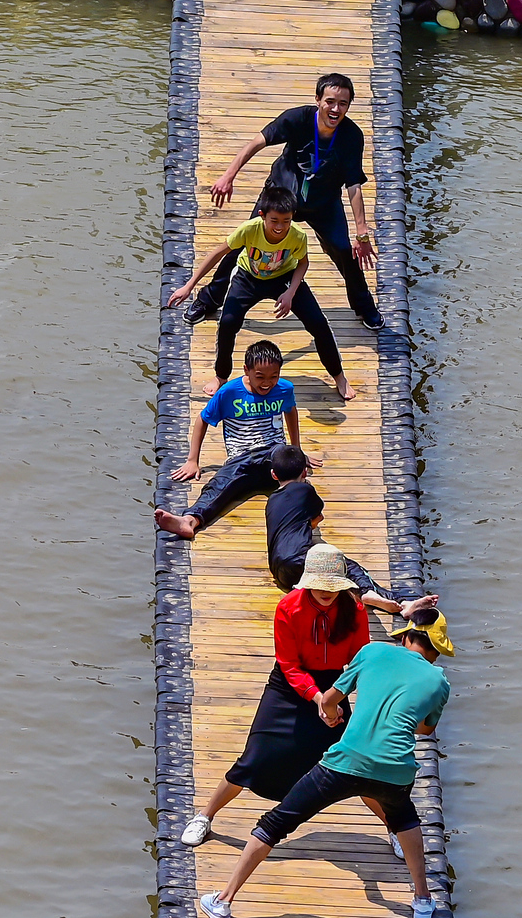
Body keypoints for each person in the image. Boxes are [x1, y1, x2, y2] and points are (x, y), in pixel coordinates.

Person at [198, 607, 454, 918]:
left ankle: (222, 902)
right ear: (435, 648)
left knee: (275, 823)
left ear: (405, 636)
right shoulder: (439, 682)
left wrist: (330, 714)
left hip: (344, 762)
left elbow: (330, 699)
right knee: (404, 818)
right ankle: (423, 900)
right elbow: (425, 728)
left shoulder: (372, 652)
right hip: (395, 770)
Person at [180, 545, 371, 847]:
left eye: (332, 586)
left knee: (357, 763)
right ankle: (204, 816)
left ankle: (395, 829)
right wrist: (318, 698)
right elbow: (289, 665)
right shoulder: (288, 607)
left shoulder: (355, 611)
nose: (326, 592)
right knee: (254, 758)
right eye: (320, 585)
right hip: (288, 687)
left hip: (334, 686)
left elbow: (361, 659)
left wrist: (334, 697)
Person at [184, 72, 384, 331]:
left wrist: (362, 231)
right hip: (281, 196)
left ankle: (364, 306)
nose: (336, 109)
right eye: (330, 101)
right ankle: (209, 299)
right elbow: (257, 142)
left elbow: (354, 184)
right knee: (238, 244)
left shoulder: (352, 135)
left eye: (343, 104)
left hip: (323, 202)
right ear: (318, 100)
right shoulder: (298, 118)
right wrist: (228, 176)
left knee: (346, 251)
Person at [168, 183, 354, 400]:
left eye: (286, 221)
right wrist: (189, 286)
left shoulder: (297, 235)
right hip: (249, 277)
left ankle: (339, 376)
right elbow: (217, 254)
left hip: (284, 278)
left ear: (293, 216)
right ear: (262, 215)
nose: (280, 227)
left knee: (319, 324)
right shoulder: (250, 229)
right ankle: (221, 376)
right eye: (274, 220)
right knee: (227, 322)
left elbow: (303, 263)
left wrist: (291, 293)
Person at [154, 339, 312, 540]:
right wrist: (193, 460)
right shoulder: (229, 392)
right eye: (260, 377)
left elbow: (291, 411)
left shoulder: (284, 389)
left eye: (274, 376)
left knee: (297, 479)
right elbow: (203, 419)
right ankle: (190, 520)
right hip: (242, 458)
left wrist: (296, 452)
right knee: (219, 485)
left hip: (273, 453)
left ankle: (304, 521)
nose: (267, 383)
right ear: (246, 370)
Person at [265, 445, 437, 621]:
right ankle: (387, 599)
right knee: (351, 569)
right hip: (301, 557)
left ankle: (370, 596)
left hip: (279, 570)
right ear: (304, 472)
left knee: (330, 584)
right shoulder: (305, 490)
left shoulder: (271, 500)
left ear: (273, 475)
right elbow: (318, 517)